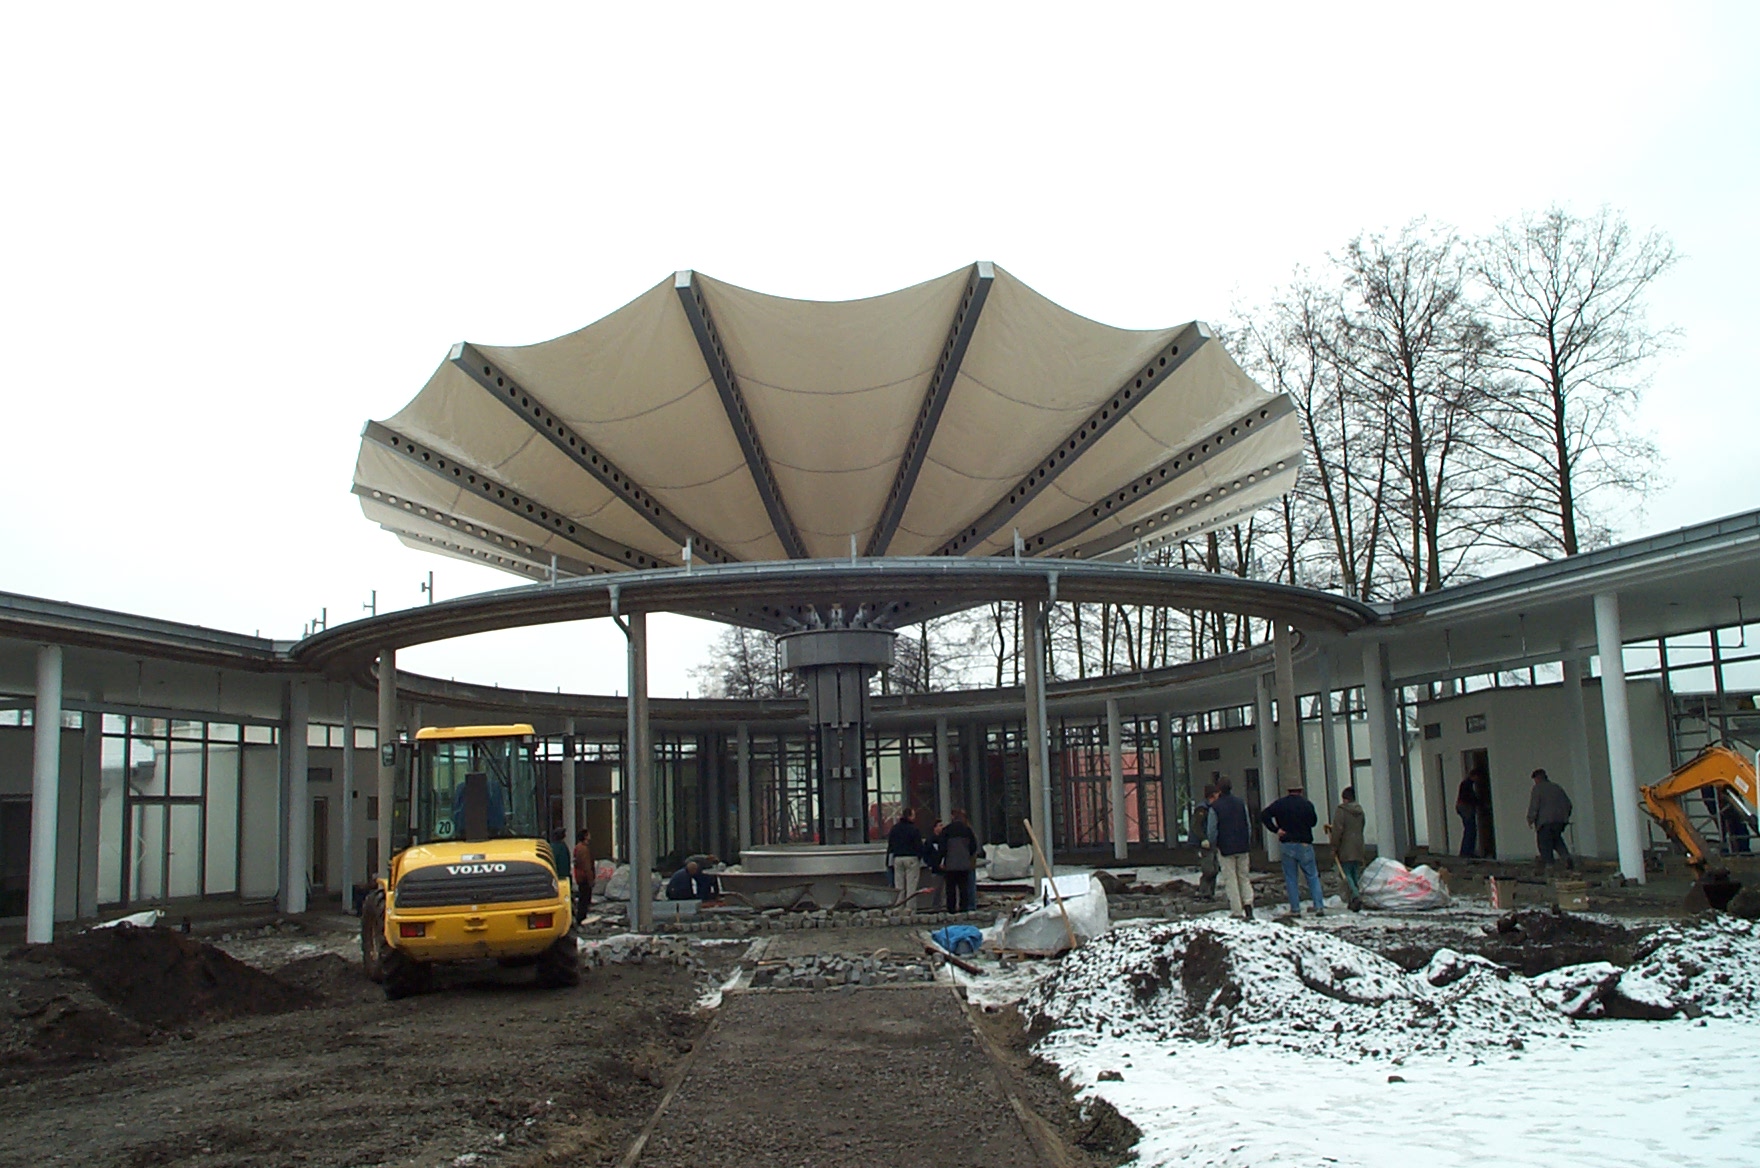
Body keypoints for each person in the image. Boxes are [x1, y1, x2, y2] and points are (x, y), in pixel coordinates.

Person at [1261, 783, 1325, 916]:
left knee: (1291, 877)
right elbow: (1313, 822)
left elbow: (1264, 815)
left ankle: (1295, 909)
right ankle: (1319, 906)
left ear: (1288, 790)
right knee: (1312, 876)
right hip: (1304, 844)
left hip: (1287, 843)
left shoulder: (1280, 804)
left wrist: (1276, 830)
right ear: (1301, 790)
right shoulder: (1307, 804)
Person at [1206, 777, 1254, 919]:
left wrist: (1214, 845)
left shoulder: (1215, 807)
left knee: (1231, 879)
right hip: (1242, 847)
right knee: (1244, 877)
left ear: (1218, 789)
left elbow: (1212, 830)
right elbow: (1248, 825)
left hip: (1225, 848)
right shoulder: (1241, 804)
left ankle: (1237, 911)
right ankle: (1248, 905)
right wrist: (1247, 841)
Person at [1527, 768, 1575, 873]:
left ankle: (1549, 865)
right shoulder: (1557, 788)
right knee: (1556, 840)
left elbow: (1535, 806)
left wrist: (1530, 819)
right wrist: (1565, 817)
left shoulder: (1538, 789)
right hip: (1559, 821)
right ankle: (1566, 857)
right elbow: (1568, 804)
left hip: (1545, 822)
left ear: (1538, 778)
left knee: (1544, 844)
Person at [1327, 786, 1366, 899]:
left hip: (1346, 847)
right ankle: (1357, 893)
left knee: (1346, 872)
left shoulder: (1341, 811)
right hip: (1358, 845)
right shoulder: (1360, 811)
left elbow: (1338, 830)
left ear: (1344, 799)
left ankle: (1355, 895)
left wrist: (1334, 847)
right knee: (1355, 872)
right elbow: (1362, 825)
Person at [940, 810, 980, 914]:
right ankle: (964, 909)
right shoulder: (967, 830)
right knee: (964, 888)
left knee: (950, 889)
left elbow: (942, 848)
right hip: (964, 864)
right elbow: (973, 847)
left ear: (952, 818)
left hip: (950, 864)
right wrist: (967, 855)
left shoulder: (946, 830)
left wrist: (942, 860)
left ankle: (951, 909)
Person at [887, 808, 925, 909]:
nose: (915, 817)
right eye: (913, 815)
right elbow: (919, 846)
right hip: (911, 858)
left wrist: (889, 861)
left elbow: (890, 845)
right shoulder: (914, 829)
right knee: (911, 886)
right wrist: (920, 856)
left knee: (899, 886)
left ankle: (898, 908)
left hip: (898, 858)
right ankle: (910, 909)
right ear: (909, 816)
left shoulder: (894, 829)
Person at [1193, 785, 1220, 899]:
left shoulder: (1212, 807)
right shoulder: (1202, 809)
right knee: (1208, 868)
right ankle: (1204, 892)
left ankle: (1210, 892)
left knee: (1215, 868)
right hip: (1204, 844)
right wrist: (1203, 838)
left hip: (1212, 843)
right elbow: (1196, 826)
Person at [1456, 771, 1482, 858]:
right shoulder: (1467, 784)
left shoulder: (1465, 784)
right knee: (1470, 830)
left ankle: (1466, 851)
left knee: (1469, 830)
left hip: (1463, 807)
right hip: (1466, 808)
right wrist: (1479, 803)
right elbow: (1469, 798)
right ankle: (1467, 852)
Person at [921, 819, 946, 909]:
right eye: (939, 825)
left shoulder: (944, 839)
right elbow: (925, 853)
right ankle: (936, 906)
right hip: (935, 869)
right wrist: (931, 864)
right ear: (934, 828)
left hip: (946, 868)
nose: (942, 827)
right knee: (937, 889)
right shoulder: (930, 840)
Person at [571, 828, 594, 918]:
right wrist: (590, 879)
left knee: (583, 898)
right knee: (584, 899)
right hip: (584, 878)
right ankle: (581, 918)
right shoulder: (583, 849)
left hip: (580, 877)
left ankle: (581, 917)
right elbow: (586, 866)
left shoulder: (578, 847)